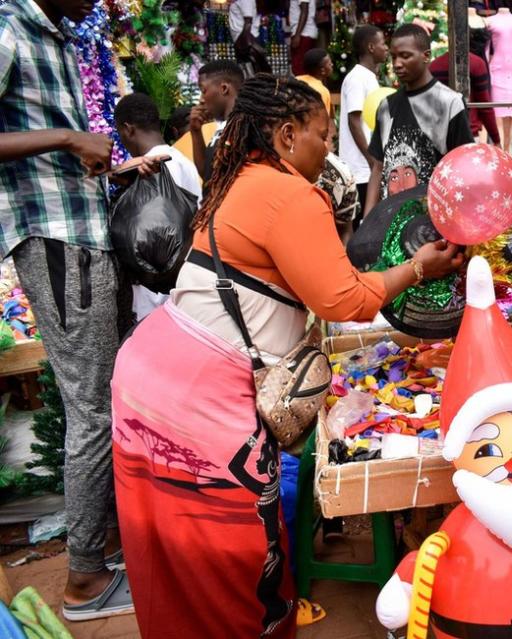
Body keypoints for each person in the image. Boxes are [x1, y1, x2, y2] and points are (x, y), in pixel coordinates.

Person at [111, 74, 464, 639]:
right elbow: (343, 298)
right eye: (322, 135)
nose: (329, 147)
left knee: (173, 548)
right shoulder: (291, 194)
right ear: (285, 133)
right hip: (197, 393)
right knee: (229, 550)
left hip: (151, 371)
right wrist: (419, 267)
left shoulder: (238, 179)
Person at [0, 0, 134, 621]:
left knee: (98, 401)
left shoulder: (51, 33)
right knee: (91, 409)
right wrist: (67, 136)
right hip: (56, 240)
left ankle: (100, 551)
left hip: (79, 235)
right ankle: (82, 578)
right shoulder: (8, 26)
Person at [366, 23, 474, 213]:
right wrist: (367, 220)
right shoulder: (385, 107)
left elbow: (462, 168)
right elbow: (377, 166)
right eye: (393, 57)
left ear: (426, 56)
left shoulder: (449, 103)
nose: (397, 63)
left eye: (405, 56)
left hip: (431, 222)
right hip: (390, 222)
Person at [114, 92, 203, 322]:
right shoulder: (183, 161)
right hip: (186, 287)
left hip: (157, 298)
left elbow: (150, 236)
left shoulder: (151, 168)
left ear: (127, 129)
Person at [338, 24, 389, 224]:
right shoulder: (357, 78)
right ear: (370, 47)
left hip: (370, 168)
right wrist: (371, 159)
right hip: (360, 170)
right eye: (382, 43)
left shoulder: (369, 78)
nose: (386, 47)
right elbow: (354, 120)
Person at [430, 51, 501, 146]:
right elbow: (485, 107)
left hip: (441, 135)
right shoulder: (476, 63)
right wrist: (496, 139)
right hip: (469, 134)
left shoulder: (434, 66)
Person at [189, 60, 244, 182]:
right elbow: (207, 173)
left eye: (203, 91)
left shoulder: (243, 126)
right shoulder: (223, 127)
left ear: (224, 88)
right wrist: (196, 132)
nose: (201, 100)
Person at [230, 0, 271, 74]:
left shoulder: (246, 1)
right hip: (247, 38)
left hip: (245, 38)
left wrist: (245, 44)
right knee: (254, 72)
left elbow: (248, 22)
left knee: (250, 73)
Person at [288, 0, 317, 75]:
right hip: (304, 33)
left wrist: (297, 35)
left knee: (300, 70)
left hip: (303, 34)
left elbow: (304, 11)